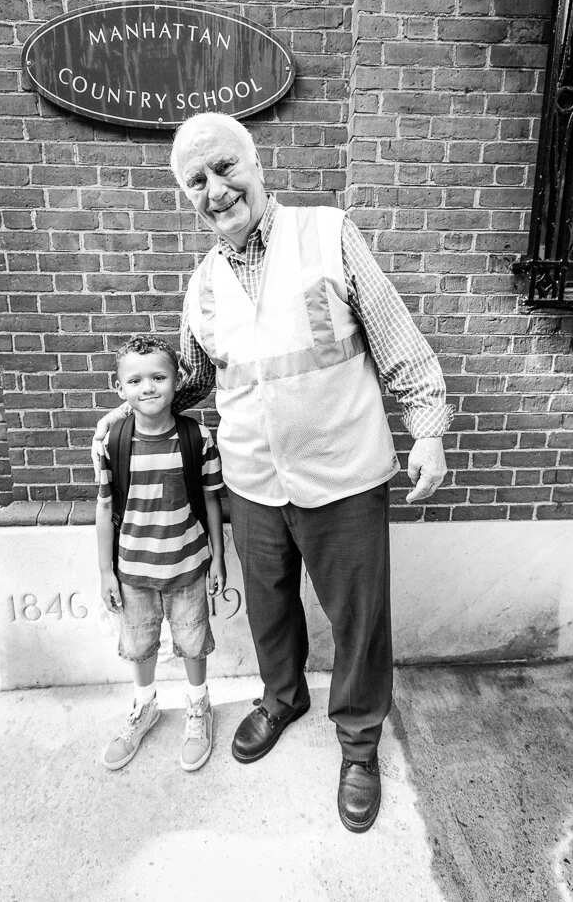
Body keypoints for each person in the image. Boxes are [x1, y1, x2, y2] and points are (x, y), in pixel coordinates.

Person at [92, 112, 451, 832]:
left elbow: (397, 341)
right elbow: (195, 380)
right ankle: (282, 697)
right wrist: (130, 413)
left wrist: (428, 430)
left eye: (225, 167)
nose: (215, 189)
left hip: (342, 473)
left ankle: (358, 742)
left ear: (257, 164)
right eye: (196, 180)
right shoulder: (202, 283)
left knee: (358, 620)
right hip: (252, 480)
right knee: (269, 609)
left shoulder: (327, 233)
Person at [96, 333, 226, 773]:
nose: (147, 387)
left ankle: (198, 705)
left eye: (158, 377)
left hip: (187, 567)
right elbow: (104, 507)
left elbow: (211, 499)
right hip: (132, 571)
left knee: (192, 641)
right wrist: (105, 571)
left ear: (177, 381)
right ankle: (144, 705)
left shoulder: (196, 437)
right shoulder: (112, 441)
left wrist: (218, 559)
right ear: (119, 388)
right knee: (139, 644)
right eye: (135, 381)